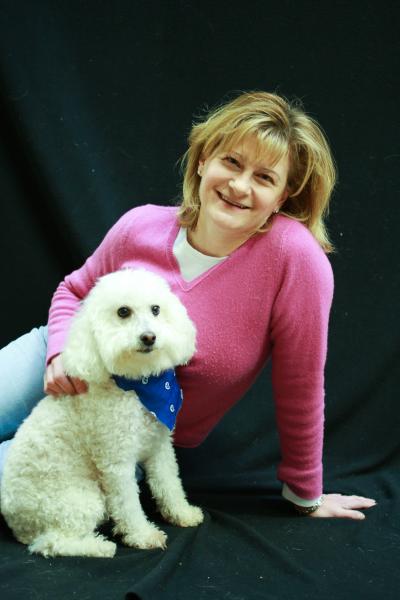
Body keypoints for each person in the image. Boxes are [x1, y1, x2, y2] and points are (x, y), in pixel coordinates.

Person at [0, 90, 376, 519]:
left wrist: (305, 495)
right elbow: (73, 291)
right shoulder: (139, 225)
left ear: (284, 195)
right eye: (231, 162)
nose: (239, 185)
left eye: (264, 177)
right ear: (203, 160)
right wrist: (59, 351)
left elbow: (301, 382)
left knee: (11, 485)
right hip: (62, 363)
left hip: (129, 431)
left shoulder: (295, 259)